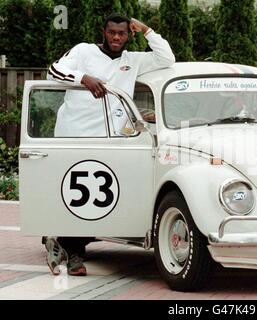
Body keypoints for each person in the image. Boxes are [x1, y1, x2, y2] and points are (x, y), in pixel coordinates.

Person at [44, 13, 175, 276]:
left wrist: (147, 29)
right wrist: (84, 78)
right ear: (104, 32)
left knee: (96, 197)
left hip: (110, 140)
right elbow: (53, 71)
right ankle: (73, 255)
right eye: (112, 32)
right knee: (76, 195)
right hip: (75, 137)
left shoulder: (133, 61)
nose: (116, 37)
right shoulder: (84, 51)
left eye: (122, 33)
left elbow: (167, 59)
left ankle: (65, 245)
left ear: (129, 35)